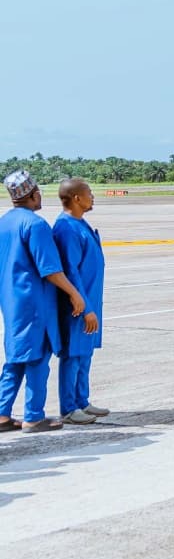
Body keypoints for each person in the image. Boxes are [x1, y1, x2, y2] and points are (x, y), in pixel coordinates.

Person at [0, 171, 89, 432]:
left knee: (15, 358)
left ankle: (2, 413)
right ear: (32, 194)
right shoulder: (35, 225)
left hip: (12, 302)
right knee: (37, 358)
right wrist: (74, 293)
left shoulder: (5, 222)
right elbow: (50, 269)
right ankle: (34, 415)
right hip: (35, 303)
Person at [50, 178, 106, 425]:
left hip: (91, 300)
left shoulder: (80, 223)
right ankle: (69, 408)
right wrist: (86, 307)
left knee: (85, 354)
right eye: (89, 193)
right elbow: (71, 271)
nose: (92, 197)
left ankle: (82, 401)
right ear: (76, 198)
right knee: (73, 355)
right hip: (79, 306)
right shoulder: (66, 228)